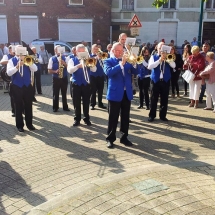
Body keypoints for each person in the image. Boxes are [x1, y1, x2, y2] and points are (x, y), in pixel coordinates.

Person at [103, 42, 139, 148]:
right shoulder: (108, 61)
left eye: (121, 51)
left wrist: (135, 62)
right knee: (113, 117)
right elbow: (109, 73)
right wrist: (121, 64)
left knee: (125, 117)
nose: (119, 52)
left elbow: (136, 71)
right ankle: (110, 138)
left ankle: (124, 138)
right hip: (114, 93)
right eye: (117, 51)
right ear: (113, 51)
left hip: (126, 93)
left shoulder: (127, 60)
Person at [6, 45, 37, 132]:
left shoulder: (27, 59)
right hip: (16, 86)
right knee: (18, 106)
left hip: (27, 86)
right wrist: (17, 66)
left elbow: (35, 69)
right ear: (15, 52)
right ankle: (19, 125)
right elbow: (8, 73)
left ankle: (29, 124)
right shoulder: (11, 61)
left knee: (28, 105)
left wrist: (28, 61)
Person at [67, 44, 97, 126]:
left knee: (86, 102)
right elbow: (70, 70)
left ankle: (86, 118)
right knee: (76, 103)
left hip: (86, 84)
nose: (81, 53)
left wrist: (91, 63)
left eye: (83, 51)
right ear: (76, 52)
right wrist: (78, 66)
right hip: (76, 84)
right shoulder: (72, 60)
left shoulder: (88, 59)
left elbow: (94, 70)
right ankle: (77, 119)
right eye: (79, 51)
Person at [148, 42, 176, 122]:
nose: (161, 50)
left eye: (163, 48)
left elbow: (174, 66)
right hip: (155, 81)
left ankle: (163, 116)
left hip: (165, 81)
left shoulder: (168, 57)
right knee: (153, 99)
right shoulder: (153, 57)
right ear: (157, 48)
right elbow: (150, 66)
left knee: (164, 99)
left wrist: (168, 59)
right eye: (160, 48)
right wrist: (159, 60)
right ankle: (152, 115)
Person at [48, 45, 70, 112]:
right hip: (56, 79)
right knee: (55, 93)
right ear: (55, 50)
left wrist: (65, 64)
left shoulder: (65, 58)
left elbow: (69, 68)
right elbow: (49, 70)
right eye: (58, 49)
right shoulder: (52, 59)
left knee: (64, 93)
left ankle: (65, 107)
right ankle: (55, 107)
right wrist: (55, 71)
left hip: (64, 78)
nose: (59, 51)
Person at [90, 44, 106, 110]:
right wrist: (96, 58)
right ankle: (92, 104)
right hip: (92, 76)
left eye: (97, 49)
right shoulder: (90, 56)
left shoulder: (101, 56)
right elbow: (91, 65)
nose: (96, 50)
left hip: (100, 75)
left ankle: (100, 103)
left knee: (100, 90)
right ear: (92, 49)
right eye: (95, 49)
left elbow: (105, 64)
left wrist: (101, 58)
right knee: (93, 91)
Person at [0, 45, 15, 116]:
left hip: (19, 78)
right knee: (12, 95)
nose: (15, 50)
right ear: (9, 50)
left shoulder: (20, 56)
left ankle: (22, 110)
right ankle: (14, 111)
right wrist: (10, 61)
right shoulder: (6, 56)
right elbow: (2, 62)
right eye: (13, 49)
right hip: (10, 78)